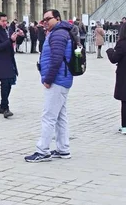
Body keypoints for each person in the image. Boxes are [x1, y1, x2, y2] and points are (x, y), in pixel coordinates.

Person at [25, 9, 74, 163]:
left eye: (48, 18)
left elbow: (56, 59)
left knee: (48, 116)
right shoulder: (59, 32)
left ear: (58, 18)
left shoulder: (58, 34)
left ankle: (43, 150)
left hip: (57, 80)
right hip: (62, 79)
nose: (45, 21)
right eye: (43, 19)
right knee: (60, 116)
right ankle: (63, 149)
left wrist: (48, 79)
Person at [0, 12, 22, 118]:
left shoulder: (7, 30)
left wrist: (20, 36)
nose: (5, 23)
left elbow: (15, 42)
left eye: (6, 21)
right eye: (3, 21)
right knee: (4, 84)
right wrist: (10, 40)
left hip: (10, 59)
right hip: (1, 61)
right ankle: (5, 108)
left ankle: (2, 106)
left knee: (9, 83)